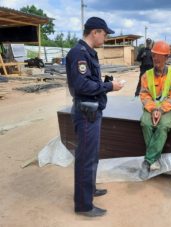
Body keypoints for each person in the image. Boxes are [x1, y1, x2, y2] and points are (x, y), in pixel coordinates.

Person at [66, 17, 123, 217]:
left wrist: (106, 83)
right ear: (95, 32)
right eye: (105, 34)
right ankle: (83, 205)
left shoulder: (88, 53)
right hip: (85, 113)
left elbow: (90, 81)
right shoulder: (79, 53)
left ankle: (89, 190)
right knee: (85, 158)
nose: (106, 38)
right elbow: (81, 86)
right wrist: (109, 86)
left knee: (92, 156)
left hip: (92, 110)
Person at [139, 40, 171, 180]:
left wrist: (161, 110)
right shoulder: (146, 75)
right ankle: (154, 159)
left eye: (159, 56)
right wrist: (153, 109)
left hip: (167, 108)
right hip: (151, 107)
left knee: (163, 126)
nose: (155, 58)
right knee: (145, 123)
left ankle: (148, 161)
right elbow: (144, 95)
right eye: (154, 55)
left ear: (166, 57)